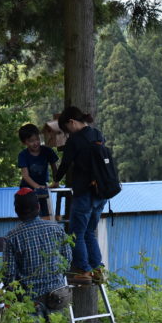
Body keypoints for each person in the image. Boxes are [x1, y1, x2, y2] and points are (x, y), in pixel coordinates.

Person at [53, 106, 107, 285]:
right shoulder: (98, 134)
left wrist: (55, 180)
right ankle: (97, 270)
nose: (67, 133)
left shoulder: (75, 140)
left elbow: (65, 163)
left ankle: (83, 271)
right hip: (101, 192)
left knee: (77, 233)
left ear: (72, 122)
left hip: (84, 193)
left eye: (66, 129)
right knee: (89, 231)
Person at [3, 188, 72, 318]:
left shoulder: (12, 237)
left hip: (31, 301)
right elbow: (67, 260)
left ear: (17, 211)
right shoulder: (56, 228)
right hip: (58, 295)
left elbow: (9, 275)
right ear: (39, 207)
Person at [17, 123, 59, 217]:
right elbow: (25, 175)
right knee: (30, 214)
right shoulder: (23, 155)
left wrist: (56, 181)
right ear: (24, 142)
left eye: (37, 139)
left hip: (43, 188)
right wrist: (37, 186)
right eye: (31, 141)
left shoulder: (47, 151)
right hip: (27, 189)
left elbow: (54, 167)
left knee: (46, 214)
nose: (36, 143)